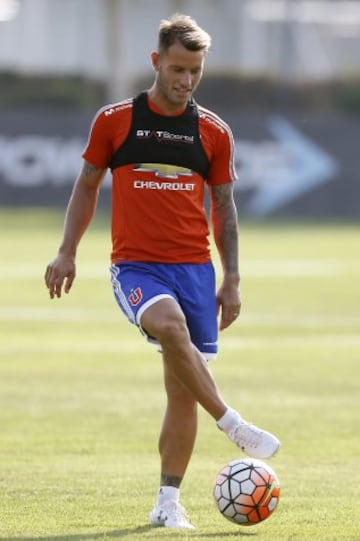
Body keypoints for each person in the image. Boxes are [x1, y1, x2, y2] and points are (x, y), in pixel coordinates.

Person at [45, 13, 280, 530]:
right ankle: (233, 422)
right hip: (136, 268)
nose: (186, 80)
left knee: (181, 390)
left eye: (195, 71)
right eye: (177, 68)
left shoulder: (214, 132)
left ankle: (168, 502)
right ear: (156, 62)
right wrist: (68, 250)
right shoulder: (114, 121)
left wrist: (232, 278)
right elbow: (86, 186)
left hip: (195, 270)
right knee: (170, 329)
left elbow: (224, 209)